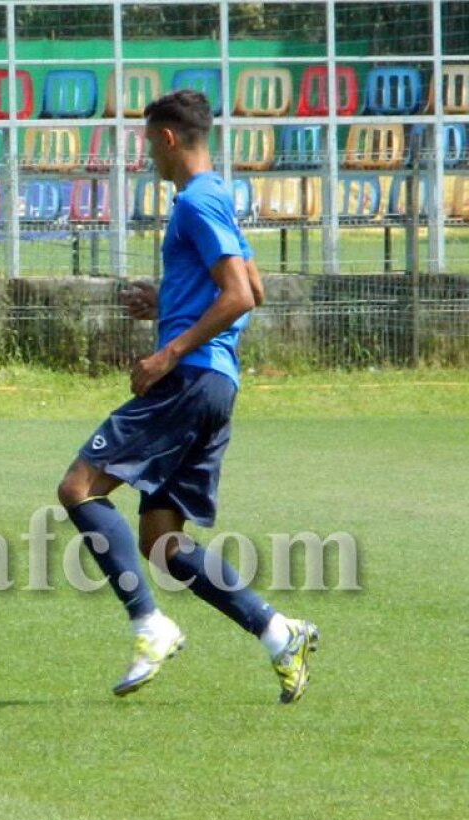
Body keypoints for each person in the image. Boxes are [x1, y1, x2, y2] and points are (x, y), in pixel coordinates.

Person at [57, 90, 319, 703]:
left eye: (150, 142)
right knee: (162, 542)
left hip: (189, 380)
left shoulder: (197, 202)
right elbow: (252, 285)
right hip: (216, 385)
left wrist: (168, 352)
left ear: (169, 138)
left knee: (79, 488)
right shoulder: (217, 195)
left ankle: (149, 624)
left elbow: (240, 295)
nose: (148, 155)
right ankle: (278, 633)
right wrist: (169, 304)